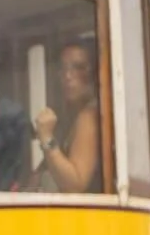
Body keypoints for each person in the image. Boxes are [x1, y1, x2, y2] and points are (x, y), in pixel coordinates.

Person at [31, 41, 103, 194]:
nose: (68, 76)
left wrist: (47, 139)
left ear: (94, 73)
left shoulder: (89, 117)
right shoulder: (69, 118)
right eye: (63, 68)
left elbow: (75, 184)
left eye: (78, 67)